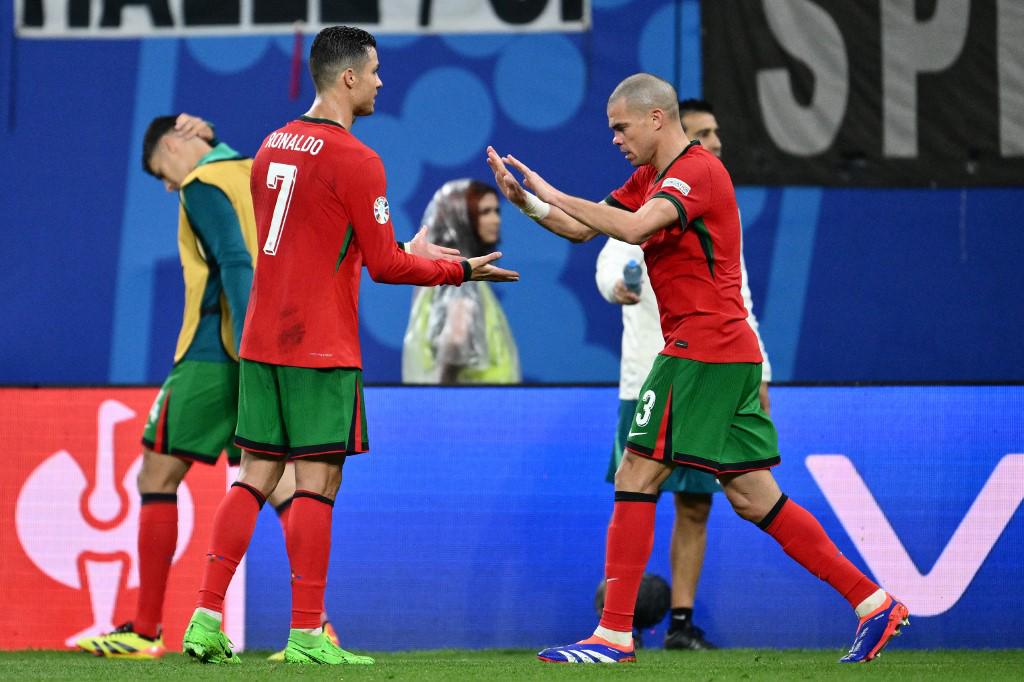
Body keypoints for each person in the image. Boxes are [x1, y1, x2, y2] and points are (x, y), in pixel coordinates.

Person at [487, 73, 908, 665]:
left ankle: (611, 635)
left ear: (656, 118)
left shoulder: (696, 172)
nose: (614, 138)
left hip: (703, 347)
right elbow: (583, 230)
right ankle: (873, 603)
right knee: (755, 498)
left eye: (620, 126)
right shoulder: (649, 178)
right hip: (723, 351)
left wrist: (554, 190)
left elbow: (632, 229)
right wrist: (527, 202)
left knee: (636, 473)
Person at [179, 25, 517, 666]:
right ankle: (307, 636)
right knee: (318, 480)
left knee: (253, 475)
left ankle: (203, 620)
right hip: (319, 344)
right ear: (349, 78)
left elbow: (320, 238)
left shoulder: (272, 144)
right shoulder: (358, 160)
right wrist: (460, 268)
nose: (384, 81)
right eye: (377, 69)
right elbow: (387, 267)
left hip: (260, 339)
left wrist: (394, 248)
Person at [73, 114, 337, 659]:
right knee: (280, 481)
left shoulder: (201, 185)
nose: (168, 184)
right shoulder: (256, 170)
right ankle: (316, 631)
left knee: (158, 469)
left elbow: (236, 261)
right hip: (283, 340)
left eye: (161, 171)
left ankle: (145, 631)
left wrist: (249, 345)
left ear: (174, 143)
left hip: (217, 351)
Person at [594, 98, 772, 650]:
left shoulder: (702, 180)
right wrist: (614, 283)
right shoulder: (651, 178)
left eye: (716, 133)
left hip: (704, 363)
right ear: (669, 128)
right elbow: (609, 255)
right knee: (642, 486)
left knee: (696, 499)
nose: (712, 143)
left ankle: (653, 625)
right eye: (704, 132)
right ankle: (617, 626)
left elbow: (735, 297)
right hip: (649, 371)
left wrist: (759, 370)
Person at [402, 179, 521, 384]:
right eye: (485, 212)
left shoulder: (445, 273)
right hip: (479, 404)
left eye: (496, 211)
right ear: (459, 218)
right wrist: (446, 397)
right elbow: (455, 341)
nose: (495, 220)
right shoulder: (460, 278)